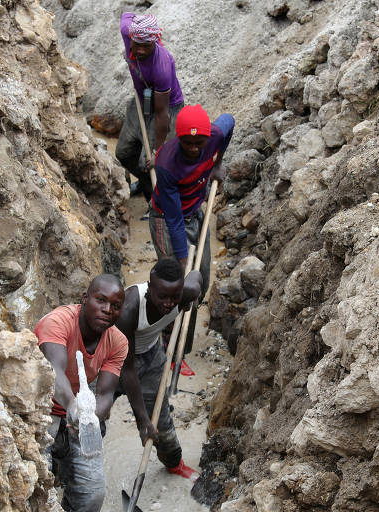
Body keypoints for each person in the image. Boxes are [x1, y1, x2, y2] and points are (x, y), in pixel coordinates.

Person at [149, 104, 235, 363]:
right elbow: (174, 220)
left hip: (196, 212)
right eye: (189, 143)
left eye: (200, 143)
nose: (195, 149)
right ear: (179, 138)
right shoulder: (166, 163)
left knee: (201, 281)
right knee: (176, 287)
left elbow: (228, 119)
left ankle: (181, 342)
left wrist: (216, 165)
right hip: (166, 219)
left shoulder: (215, 135)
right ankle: (166, 346)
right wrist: (182, 261)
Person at [35, 274, 128, 512]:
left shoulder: (118, 342)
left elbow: (106, 394)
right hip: (39, 413)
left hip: (80, 418)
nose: (108, 310)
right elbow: (54, 370)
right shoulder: (58, 322)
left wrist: (92, 414)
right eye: (101, 300)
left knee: (93, 495)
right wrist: (72, 406)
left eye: (115, 306)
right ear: (85, 299)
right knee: (36, 490)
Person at [115, 258, 203, 479]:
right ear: (149, 288)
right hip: (115, 360)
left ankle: (174, 464)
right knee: (95, 415)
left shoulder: (186, 292)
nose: (169, 303)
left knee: (161, 422)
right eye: (162, 296)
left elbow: (197, 276)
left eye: (175, 296)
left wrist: (195, 298)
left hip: (152, 356)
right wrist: (141, 419)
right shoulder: (129, 308)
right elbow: (127, 370)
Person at [116, 12, 185, 208]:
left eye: (147, 46)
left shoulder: (161, 66)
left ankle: (158, 205)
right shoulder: (127, 31)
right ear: (131, 37)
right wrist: (143, 20)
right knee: (124, 153)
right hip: (142, 99)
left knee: (152, 163)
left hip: (167, 108)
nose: (140, 50)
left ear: (156, 41)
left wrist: (158, 152)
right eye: (137, 44)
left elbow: (162, 114)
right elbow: (127, 15)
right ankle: (147, 186)